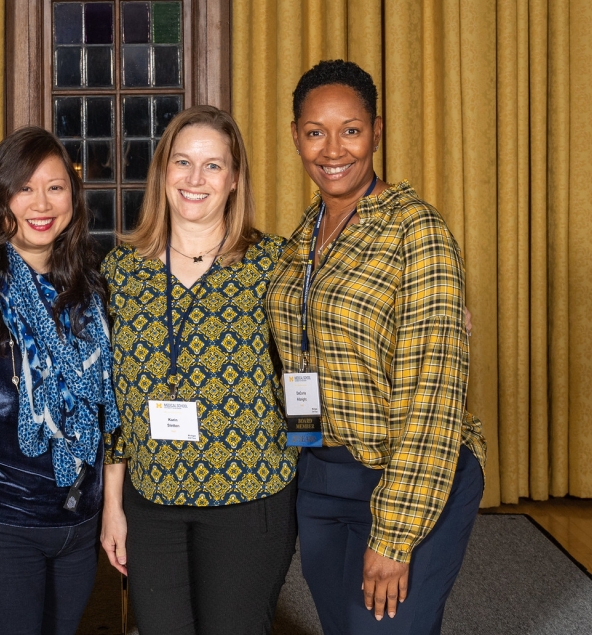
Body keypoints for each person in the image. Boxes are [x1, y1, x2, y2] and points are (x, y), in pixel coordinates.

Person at [265, 59, 486, 635]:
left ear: (377, 131)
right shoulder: (301, 239)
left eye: (351, 130)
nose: (333, 148)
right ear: (296, 137)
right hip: (321, 474)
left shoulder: (418, 232)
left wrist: (394, 535)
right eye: (315, 131)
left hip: (410, 475)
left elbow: (433, 398)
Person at [99, 105, 299, 635]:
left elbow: (331, 330)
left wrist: (439, 308)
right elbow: (112, 401)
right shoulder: (121, 270)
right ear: (163, 171)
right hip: (151, 502)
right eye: (182, 162)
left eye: (213, 166)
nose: (195, 179)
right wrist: (112, 506)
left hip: (248, 498)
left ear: (234, 179)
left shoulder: (273, 263)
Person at [0, 127, 120, 635]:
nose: (41, 203)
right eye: (24, 188)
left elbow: (105, 405)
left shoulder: (89, 286)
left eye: (55, 187)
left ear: (72, 197)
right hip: (0, 518)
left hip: (77, 519)